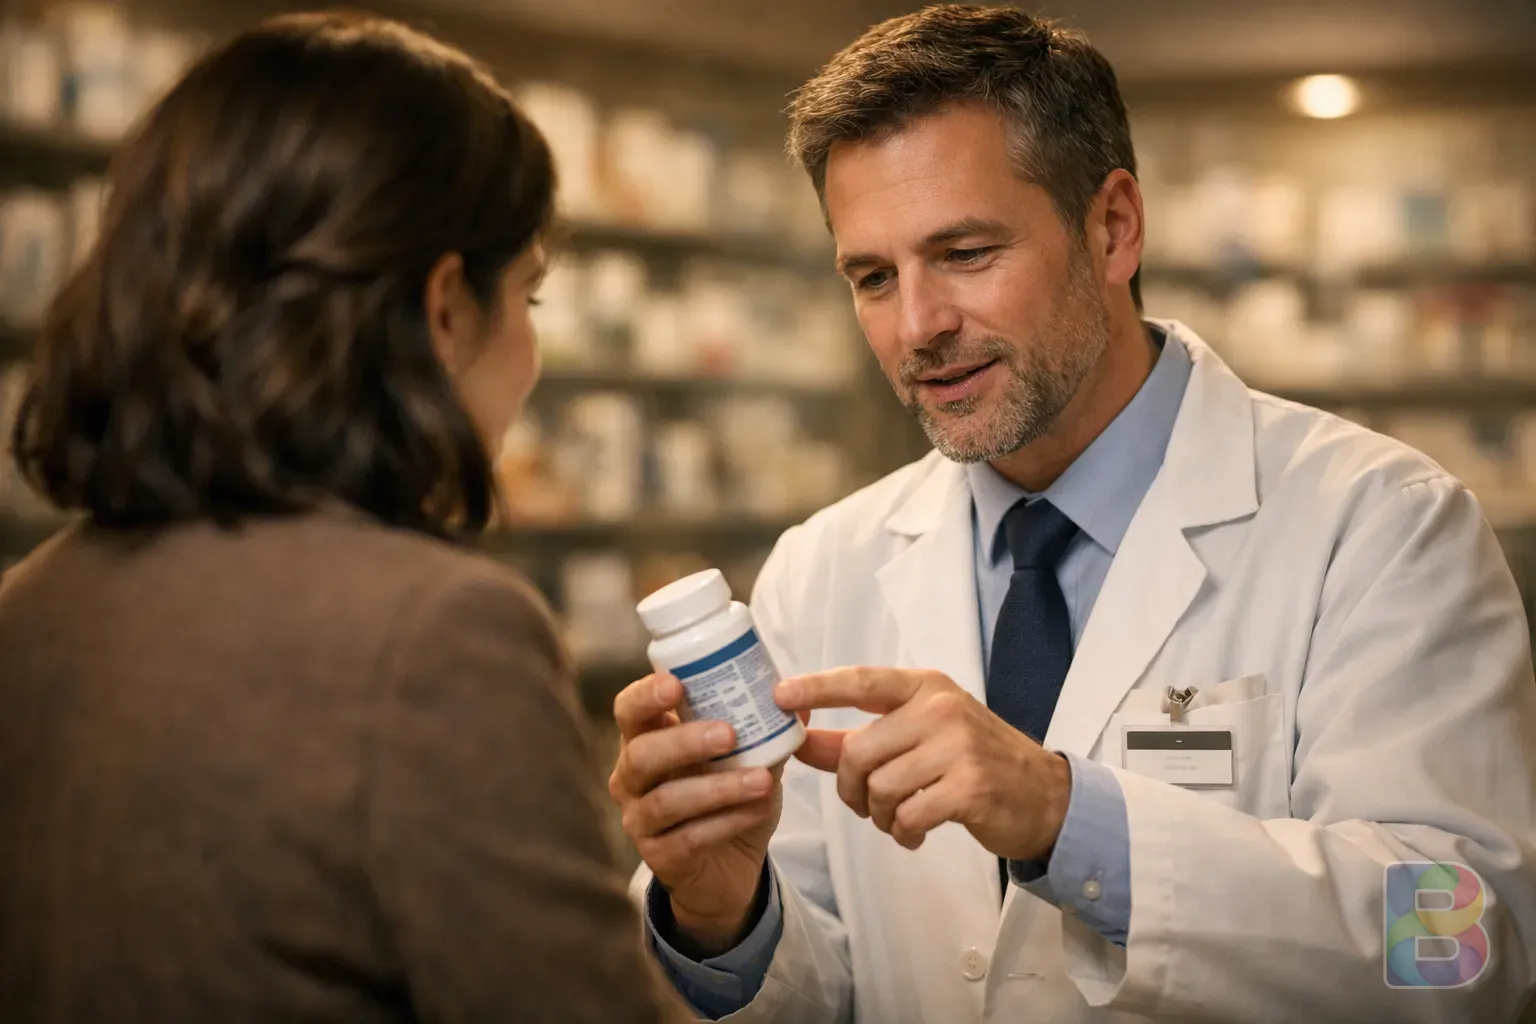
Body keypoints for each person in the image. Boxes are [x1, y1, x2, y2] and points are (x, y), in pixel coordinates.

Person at [607, 5, 1536, 1022]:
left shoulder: (1382, 528)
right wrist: (723, 914)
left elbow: (1469, 948)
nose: (917, 326)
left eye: (966, 252)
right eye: (872, 276)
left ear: (1113, 228)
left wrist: (1068, 819)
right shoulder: (824, 566)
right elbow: (825, 985)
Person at [0, 12, 687, 1023]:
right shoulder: (435, 637)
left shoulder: (31, 605)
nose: (531, 357)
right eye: (529, 299)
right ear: (445, 309)